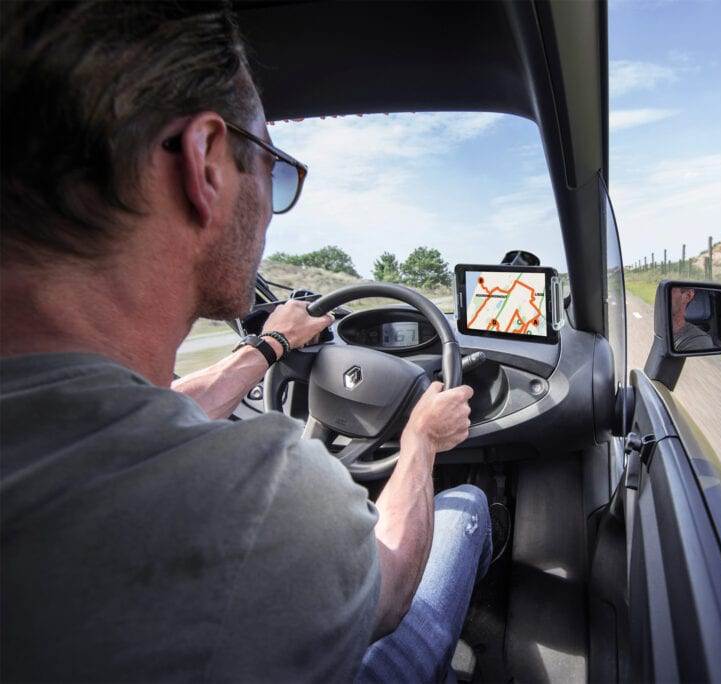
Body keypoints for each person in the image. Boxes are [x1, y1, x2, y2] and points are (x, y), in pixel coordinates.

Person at [0, 2, 489, 681]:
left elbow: (156, 411)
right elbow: (393, 584)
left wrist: (268, 348)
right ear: (204, 163)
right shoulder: (264, 499)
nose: (270, 203)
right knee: (465, 511)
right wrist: (421, 443)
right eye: (272, 167)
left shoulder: (48, 421)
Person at [670, 286, 716, 352]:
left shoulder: (700, 341)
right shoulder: (658, 327)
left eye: (669, 291)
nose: (662, 298)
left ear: (688, 296)